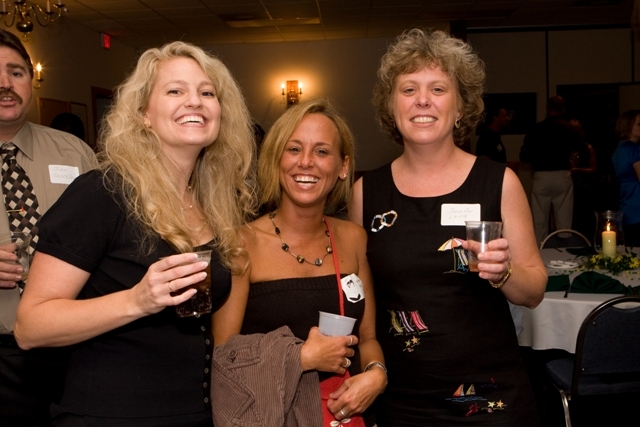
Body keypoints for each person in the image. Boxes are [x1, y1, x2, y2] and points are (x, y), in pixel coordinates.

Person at [13, 41, 255, 426]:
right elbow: (31, 327)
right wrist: (138, 300)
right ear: (144, 113)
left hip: (196, 413)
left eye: (206, 92)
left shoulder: (215, 205)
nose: (194, 101)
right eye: (175, 90)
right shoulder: (102, 192)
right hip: (110, 415)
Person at [349, 29, 546, 426]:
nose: (423, 100)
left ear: (460, 107)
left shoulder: (498, 182)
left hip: (489, 398)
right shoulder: (365, 192)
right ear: (392, 107)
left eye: (438, 88)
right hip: (403, 399)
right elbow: (362, 298)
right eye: (408, 89)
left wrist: (503, 273)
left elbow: (535, 289)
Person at [212, 99, 387, 426]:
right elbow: (224, 355)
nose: (306, 163)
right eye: (294, 149)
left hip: (343, 415)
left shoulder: (353, 238)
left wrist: (376, 375)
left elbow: (367, 338)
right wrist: (300, 357)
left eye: (322, 152)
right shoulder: (241, 242)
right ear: (277, 159)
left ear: (343, 166)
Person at [0, 29, 96, 426]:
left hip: (75, 349)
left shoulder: (74, 152)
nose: (4, 84)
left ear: (32, 80)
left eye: (16, 72)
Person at [520, 95, 583, 244]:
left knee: (539, 220)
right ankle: (565, 248)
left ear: (547, 109)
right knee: (564, 218)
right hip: (562, 175)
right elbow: (582, 149)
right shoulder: (569, 129)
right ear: (563, 110)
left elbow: (524, 156)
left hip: (541, 177)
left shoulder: (536, 129)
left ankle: (539, 251)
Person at [612, 109, 640, 248]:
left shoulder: (619, 149)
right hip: (636, 203)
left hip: (625, 203)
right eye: (639, 124)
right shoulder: (634, 149)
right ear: (629, 126)